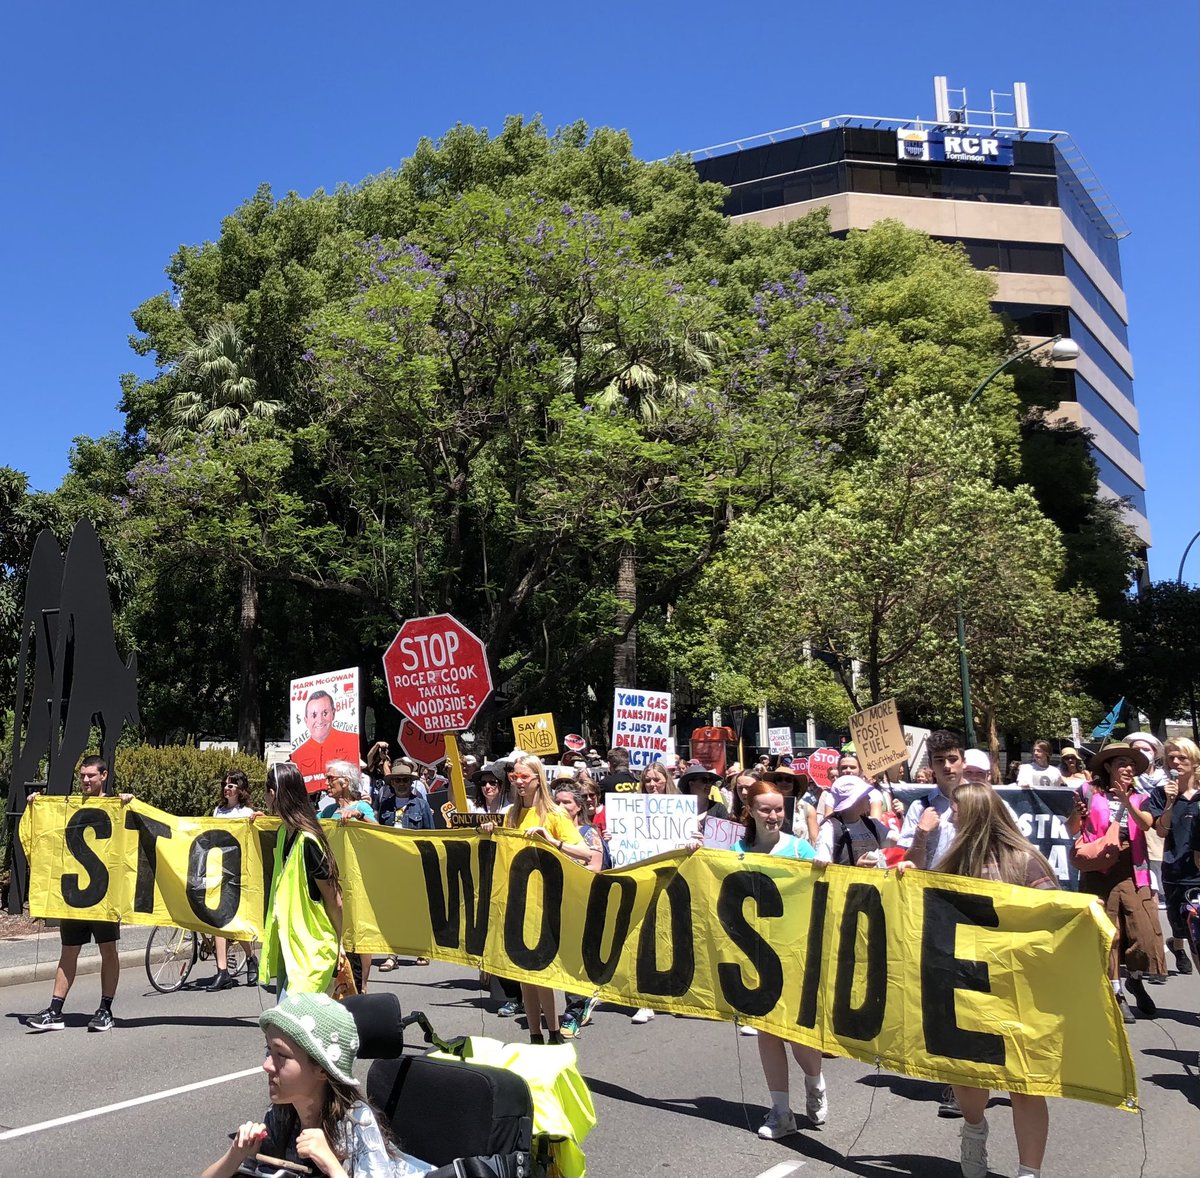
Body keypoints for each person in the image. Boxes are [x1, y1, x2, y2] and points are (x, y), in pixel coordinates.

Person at [899, 781, 1057, 1178]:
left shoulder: (1026, 861)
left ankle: (1029, 1172)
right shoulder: (953, 860)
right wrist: (903, 876)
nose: (951, 816)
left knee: (1025, 1084)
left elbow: (1054, 915)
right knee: (968, 1079)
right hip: (965, 985)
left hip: (1019, 989)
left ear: (976, 815)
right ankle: (974, 1128)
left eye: (957, 810)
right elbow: (929, 905)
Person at [202, 992, 430, 1178]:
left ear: (322, 1069)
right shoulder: (282, 1114)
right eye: (268, 1051)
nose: (267, 1065)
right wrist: (237, 1154)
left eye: (281, 1055)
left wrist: (331, 1164)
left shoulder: (356, 1122)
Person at [727, 780, 825, 1139]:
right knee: (767, 1031)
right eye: (765, 809)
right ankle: (782, 1112)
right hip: (753, 956)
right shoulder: (734, 849)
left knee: (799, 1033)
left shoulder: (799, 849)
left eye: (778, 809)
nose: (773, 816)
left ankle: (814, 1081)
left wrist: (823, 868)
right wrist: (694, 848)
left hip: (795, 952)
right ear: (750, 811)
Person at [491, 755, 599, 1042]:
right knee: (524, 971)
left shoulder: (554, 816)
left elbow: (587, 853)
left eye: (524, 777)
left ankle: (554, 1032)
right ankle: (535, 1035)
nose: (519, 783)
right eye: (515, 777)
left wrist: (552, 841)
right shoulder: (510, 815)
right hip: (518, 900)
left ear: (538, 779)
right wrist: (490, 832)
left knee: (542, 971)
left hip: (547, 901)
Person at [24, 756, 133, 1032]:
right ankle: (55, 1010)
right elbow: (49, 835)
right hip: (74, 896)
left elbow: (133, 837)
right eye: (82, 776)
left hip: (103, 895)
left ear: (104, 776)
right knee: (68, 951)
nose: (85, 781)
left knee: (108, 950)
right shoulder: (70, 805)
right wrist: (36, 806)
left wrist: (129, 803)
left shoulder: (115, 804)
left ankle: (105, 1009)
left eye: (91, 776)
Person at [1074, 743, 1166, 1023]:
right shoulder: (1088, 792)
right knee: (1109, 932)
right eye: (1121, 764)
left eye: (1131, 765)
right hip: (1099, 867)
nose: (1128, 769)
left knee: (1143, 932)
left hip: (1132, 865)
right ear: (1108, 767)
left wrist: (1127, 801)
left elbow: (1148, 824)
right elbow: (1072, 829)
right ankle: (1117, 993)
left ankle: (1135, 979)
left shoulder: (1141, 796)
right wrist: (1077, 815)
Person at [260, 762, 343, 999]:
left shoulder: (308, 841)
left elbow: (334, 900)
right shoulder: (284, 834)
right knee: (292, 1030)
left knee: (288, 1028)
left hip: (311, 953)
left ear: (273, 794)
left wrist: (339, 946)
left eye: (266, 792)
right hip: (292, 951)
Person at [318, 762, 378, 988]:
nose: (326, 784)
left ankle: (362, 985)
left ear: (345, 782)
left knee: (360, 932)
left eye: (330, 779)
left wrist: (360, 817)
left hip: (359, 878)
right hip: (334, 878)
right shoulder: (326, 811)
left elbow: (380, 832)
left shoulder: (362, 807)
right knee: (338, 929)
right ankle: (343, 982)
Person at [1146, 737, 1200, 977]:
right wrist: (1169, 801)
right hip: (1176, 873)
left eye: (1182, 757)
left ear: (1194, 760)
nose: (1176, 762)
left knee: (1198, 937)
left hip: (1198, 875)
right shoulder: (1161, 793)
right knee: (1186, 933)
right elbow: (1160, 830)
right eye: (1171, 758)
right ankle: (1178, 946)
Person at [207, 770, 260, 991]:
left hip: (238, 871)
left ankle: (250, 957)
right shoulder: (217, 811)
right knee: (220, 921)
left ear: (240, 789)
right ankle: (222, 972)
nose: (227, 788)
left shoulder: (247, 812)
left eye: (231, 785)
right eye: (225, 785)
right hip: (218, 868)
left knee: (234, 924)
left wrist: (258, 820)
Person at [1128, 732, 1168, 918]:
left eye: (1146, 749)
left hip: (1160, 833)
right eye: (1137, 750)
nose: (1142, 753)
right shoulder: (1127, 779)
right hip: (1134, 832)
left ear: (1155, 753)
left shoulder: (1167, 779)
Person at [293, 689, 362, 791]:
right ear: (306, 720)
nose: (320, 720)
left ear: (333, 713)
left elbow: (355, 779)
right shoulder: (298, 753)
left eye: (325, 713)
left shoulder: (352, 741)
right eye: (314, 715)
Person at [813, 776, 889, 867]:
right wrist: (855, 867)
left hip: (876, 881)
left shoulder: (872, 824)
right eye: (864, 795)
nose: (869, 798)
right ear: (854, 801)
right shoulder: (829, 828)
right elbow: (822, 864)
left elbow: (901, 841)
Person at [760, 764, 819, 843]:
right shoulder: (765, 806)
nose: (784, 782)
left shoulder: (807, 809)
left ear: (794, 784)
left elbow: (813, 839)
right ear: (774, 782)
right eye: (779, 779)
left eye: (788, 780)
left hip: (799, 853)